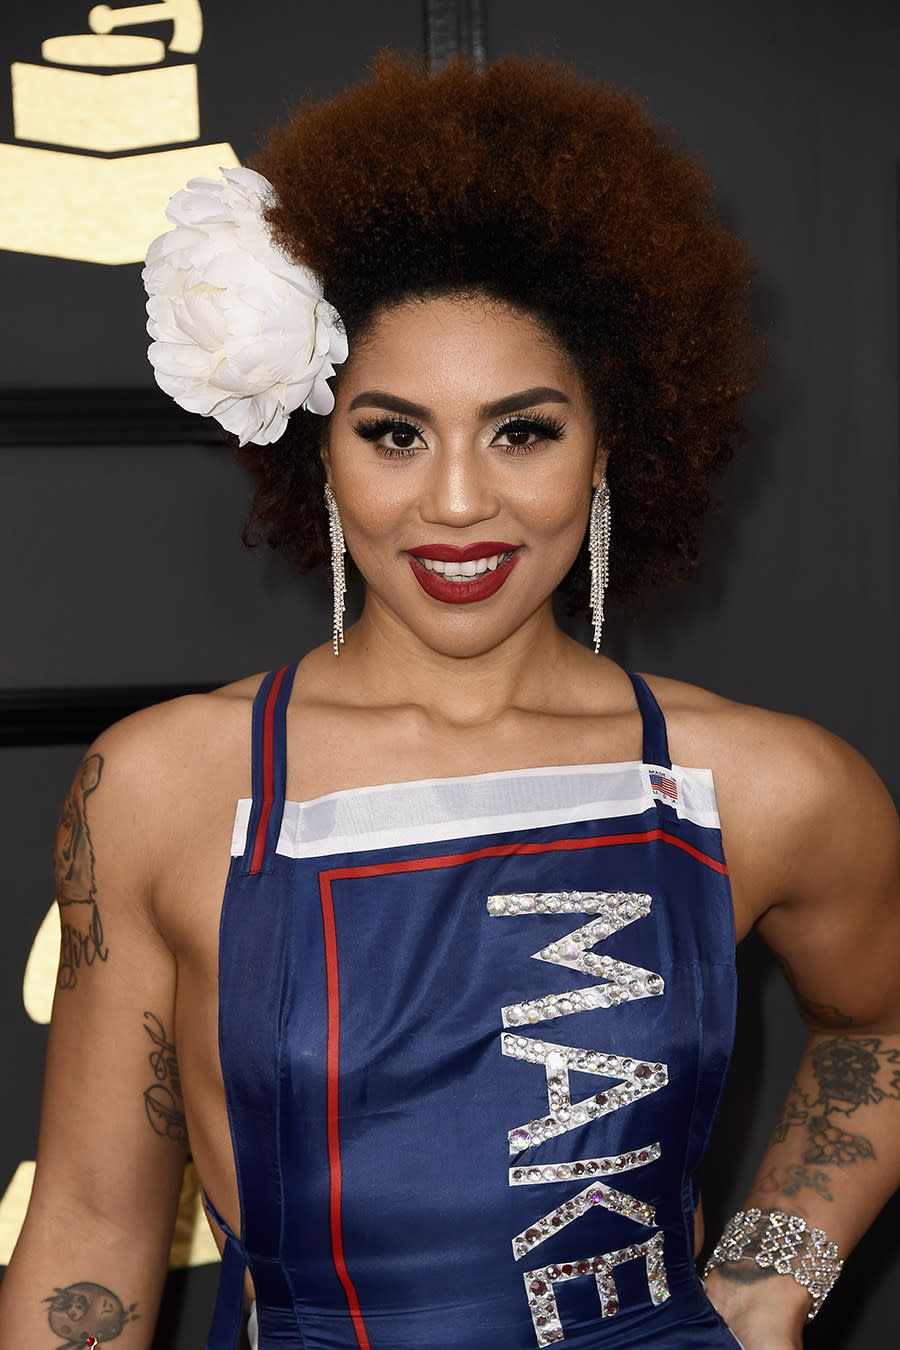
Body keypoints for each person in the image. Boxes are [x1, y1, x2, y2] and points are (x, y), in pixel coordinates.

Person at [2, 54, 899, 1350]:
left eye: (522, 430)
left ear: (610, 445)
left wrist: (770, 1280)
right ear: (320, 446)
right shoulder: (165, 784)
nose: (459, 502)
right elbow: (89, 1226)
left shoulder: (765, 785)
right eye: (395, 431)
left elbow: (879, 1024)